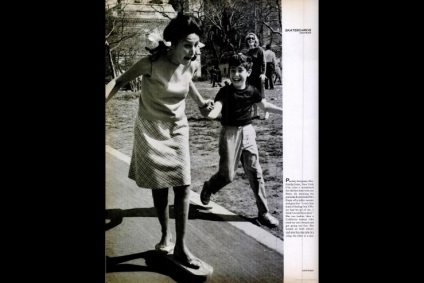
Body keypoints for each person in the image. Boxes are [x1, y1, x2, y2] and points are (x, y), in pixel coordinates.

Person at [105, 12, 214, 269]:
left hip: (178, 128)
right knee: (160, 185)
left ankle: (181, 247)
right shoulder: (150, 63)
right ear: (173, 44)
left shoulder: (190, 62)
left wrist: (201, 103)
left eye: (196, 44)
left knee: (184, 185)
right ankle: (166, 234)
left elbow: (187, 83)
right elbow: (118, 81)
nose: (193, 50)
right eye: (187, 45)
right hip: (150, 128)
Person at [200, 53, 282, 228]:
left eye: (240, 70)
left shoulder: (252, 91)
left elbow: (264, 106)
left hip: (248, 132)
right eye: (232, 71)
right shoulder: (225, 92)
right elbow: (216, 111)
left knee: (255, 173)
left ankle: (263, 213)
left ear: (248, 71)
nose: (236, 75)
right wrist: (208, 111)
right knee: (228, 175)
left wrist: (284, 111)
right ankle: (209, 187)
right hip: (229, 134)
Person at [244, 32, 268, 120]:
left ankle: (266, 112)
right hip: (250, 76)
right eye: (249, 38)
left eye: (252, 38)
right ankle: (255, 113)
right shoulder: (247, 52)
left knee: (261, 95)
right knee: (252, 95)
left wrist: (263, 74)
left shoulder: (259, 50)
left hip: (259, 76)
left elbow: (263, 63)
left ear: (255, 40)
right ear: (246, 40)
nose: (250, 40)